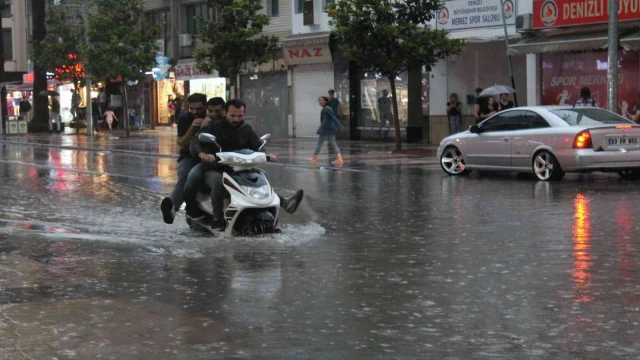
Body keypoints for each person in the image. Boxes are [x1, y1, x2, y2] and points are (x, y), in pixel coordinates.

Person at [188, 99, 304, 230]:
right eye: (233, 115)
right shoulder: (213, 127)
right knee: (219, 182)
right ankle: (217, 219)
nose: (236, 119)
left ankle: (283, 203)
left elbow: (257, 146)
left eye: (240, 116)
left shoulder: (245, 129)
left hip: (239, 168)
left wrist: (265, 154)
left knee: (262, 176)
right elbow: (195, 142)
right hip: (216, 168)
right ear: (226, 112)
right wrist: (203, 154)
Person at [160, 93, 208, 224]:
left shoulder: (212, 117)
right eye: (191, 109)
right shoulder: (185, 119)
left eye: (199, 109)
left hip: (211, 155)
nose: (195, 112)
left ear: (206, 106)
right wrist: (192, 128)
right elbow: (181, 143)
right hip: (189, 156)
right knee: (186, 178)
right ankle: (172, 208)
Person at [180, 97, 229, 218]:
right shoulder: (207, 125)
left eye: (217, 111)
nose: (214, 114)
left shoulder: (236, 125)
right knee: (191, 178)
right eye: (210, 111)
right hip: (210, 164)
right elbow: (195, 142)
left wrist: (262, 153)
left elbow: (252, 142)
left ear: (224, 110)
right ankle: (191, 210)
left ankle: (280, 201)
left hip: (234, 164)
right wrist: (203, 154)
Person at [310, 96, 343, 166]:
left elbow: (329, 119)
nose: (320, 102)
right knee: (333, 143)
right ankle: (339, 158)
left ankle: (314, 157)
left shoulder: (326, 109)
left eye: (321, 100)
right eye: (319, 100)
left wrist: (320, 129)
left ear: (326, 101)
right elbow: (332, 118)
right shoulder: (327, 108)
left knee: (319, 143)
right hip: (330, 129)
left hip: (325, 129)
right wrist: (338, 125)